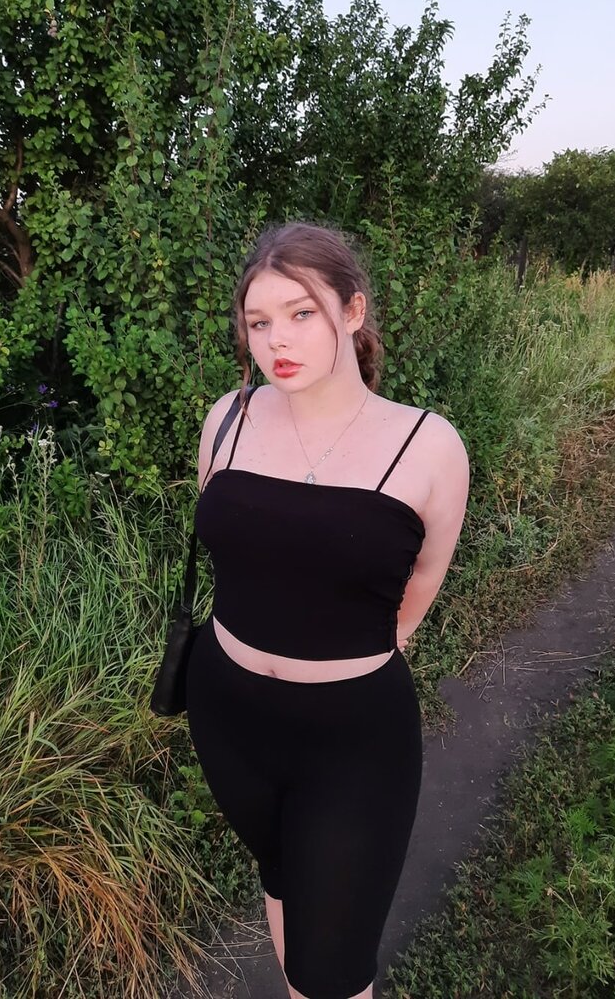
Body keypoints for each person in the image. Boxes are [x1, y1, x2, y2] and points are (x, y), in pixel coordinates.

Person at [186, 222, 469, 999]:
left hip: (350, 737)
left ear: (351, 311)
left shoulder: (425, 445)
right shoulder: (228, 417)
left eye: (300, 313)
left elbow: (419, 584)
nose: (276, 339)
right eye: (258, 322)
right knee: (280, 874)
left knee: (330, 974)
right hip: (227, 712)